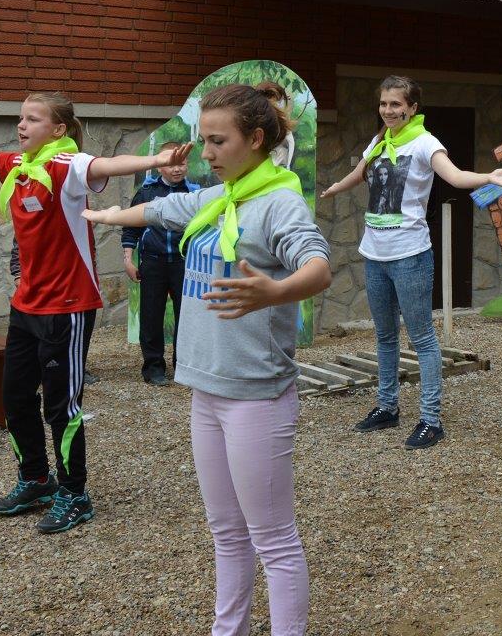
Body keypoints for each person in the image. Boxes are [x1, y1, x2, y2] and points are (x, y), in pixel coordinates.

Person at [83, 82, 330, 636]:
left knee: (273, 540)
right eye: (204, 141)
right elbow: (162, 209)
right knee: (226, 533)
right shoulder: (219, 198)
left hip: (256, 396)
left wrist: (275, 291)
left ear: (256, 139)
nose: (208, 153)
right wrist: (107, 218)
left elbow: (318, 266)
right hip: (207, 392)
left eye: (219, 141)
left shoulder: (279, 203)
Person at [0, 92, 191, 534]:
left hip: (68, 307)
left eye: (32, 119)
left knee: (62, 406)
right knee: (16, 398)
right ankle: (36, 479)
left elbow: (109, 164)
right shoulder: (19, 166)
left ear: (57, 129)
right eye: (21, 118)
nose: (21, 125)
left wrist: (157, 160)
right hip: (26, 305)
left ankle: (75, 493)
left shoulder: (67, 166)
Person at [321, 75, 502, 449]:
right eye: (384, 103)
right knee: (385, 335)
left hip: (410, 255)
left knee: (422, 339)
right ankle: (387, 407)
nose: (388, 110)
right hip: (375, 255)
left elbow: (455, 176)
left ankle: (431, 420)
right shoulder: (380, 141)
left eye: (396, 104)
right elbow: (361, 171)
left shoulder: (425, 142)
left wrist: (489, 176)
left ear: (412, 108)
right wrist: (337, 187)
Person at [121, 141, 198, 385]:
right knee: (151, 316)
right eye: (172, 164)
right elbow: (131, 227)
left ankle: (184, 367)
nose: (177, 169)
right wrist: (128, 260)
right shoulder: (146, 192)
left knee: (187, 315)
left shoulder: (194, 193)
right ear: (160, 166)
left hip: (184, 263)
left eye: (182, 163)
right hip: (153, 263)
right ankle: (153, 368)